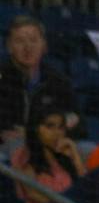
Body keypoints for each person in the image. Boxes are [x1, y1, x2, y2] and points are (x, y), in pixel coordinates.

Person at [2, 16, 75, 147]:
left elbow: (77, 120)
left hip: (50, 142)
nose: (28, 47)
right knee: (17, 146)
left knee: (88, 148)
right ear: (9, 46)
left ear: (44, 46)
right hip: (9, 146)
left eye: (33, 40)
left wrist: (37, 133)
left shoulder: (58, 81)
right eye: (20, 41)